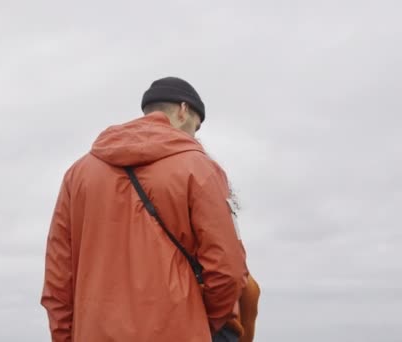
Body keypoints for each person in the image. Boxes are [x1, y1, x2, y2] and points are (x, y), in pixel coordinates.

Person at [41, 76, 253, 341]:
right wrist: (199, 323)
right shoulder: (200, 169)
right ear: (183, 110)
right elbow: (228, 270)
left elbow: (58, 279)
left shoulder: (77, 174)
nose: (194, 137)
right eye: (195, 128)